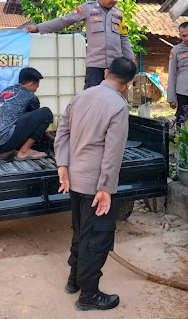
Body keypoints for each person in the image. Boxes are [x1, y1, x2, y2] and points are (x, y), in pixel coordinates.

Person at [55, 57, 136, 312]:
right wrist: (105, 189)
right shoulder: (118, 106)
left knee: (80, 232)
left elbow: (62, 132)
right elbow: (113, 152)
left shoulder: (81, 97)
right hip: (95, 186)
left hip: (75, 181)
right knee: (97, 239)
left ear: (105, 73)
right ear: (129, 83)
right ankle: (89, 294)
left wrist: (62, 166)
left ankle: (73, 281)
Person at [25, 0, 135, 89]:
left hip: (114, 68)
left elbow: (123, 38)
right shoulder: (87, 8)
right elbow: (65, 20)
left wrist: (131, 59)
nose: (115, 0)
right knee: (92, 98)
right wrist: (39, 27)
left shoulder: (118, 14)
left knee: (112, 99)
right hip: (95, 67)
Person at [0, 67, 53, 160]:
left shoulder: (7, 90)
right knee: (46, 113)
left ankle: (6, 152)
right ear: (30, 85)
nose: (36, 90)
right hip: (3, 142)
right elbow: (36, 121)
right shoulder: (30, 96)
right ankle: (24, 151)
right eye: (36, 87)